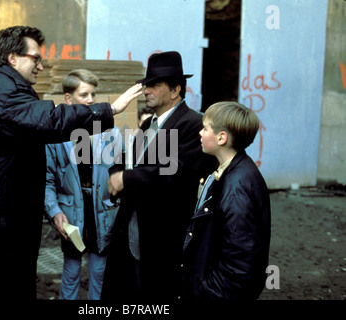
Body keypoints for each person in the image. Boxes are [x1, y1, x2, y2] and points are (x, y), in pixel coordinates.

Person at [0, 26, 142, 299]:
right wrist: (108, 109)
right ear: (13, 58)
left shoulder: (2, 88)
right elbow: (52, 121)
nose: (41, 66)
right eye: (36, 58)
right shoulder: (4, 93)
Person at [101, 51, 216, 300]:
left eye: (154, 85)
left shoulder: (192, 124)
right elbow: (129, 160)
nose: (146, 91)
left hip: (163, 238)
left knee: (157, 293)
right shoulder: (147, 125)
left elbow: (175, 171)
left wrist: (126, 179)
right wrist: (116, 172)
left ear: (175, 90)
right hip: (133, 229)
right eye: (145, 85)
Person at [180, 101, 271, 300]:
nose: (200, 133)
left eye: (205, 129)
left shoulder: (237, 186)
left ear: (222, 138)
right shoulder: (229, 171)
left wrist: (206, 293)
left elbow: (239, 263)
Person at [45, 69, 122, 300]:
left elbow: (120, 173)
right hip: (71, 215)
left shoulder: (111, 131)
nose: (90, 100)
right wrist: (55, 211)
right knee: (70, 273)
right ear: (68, 99)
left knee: (100, 272)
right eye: (84, 95)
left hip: (102, 215)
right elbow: (47, 179)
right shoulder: (54, 136)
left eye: (93, 95)